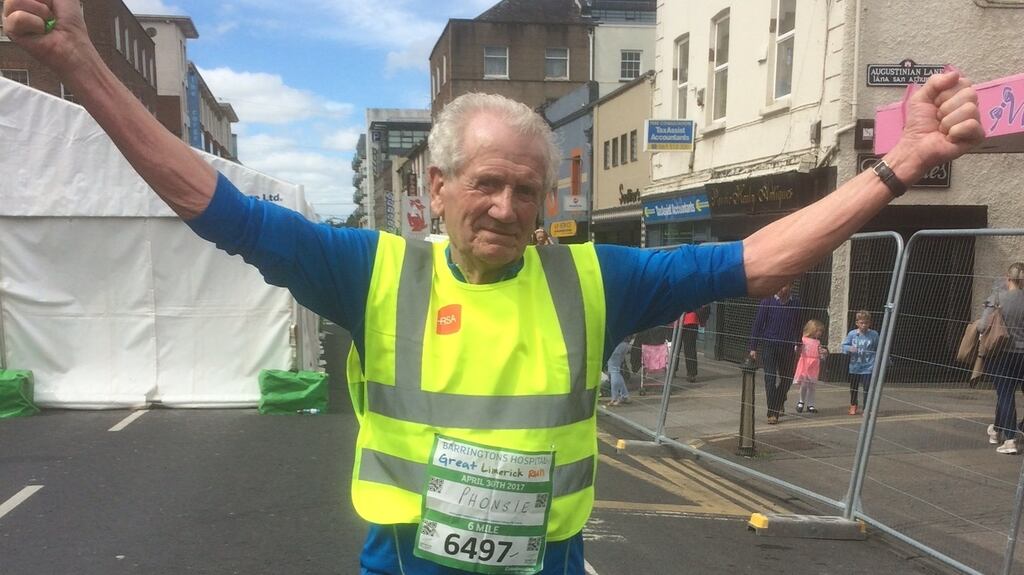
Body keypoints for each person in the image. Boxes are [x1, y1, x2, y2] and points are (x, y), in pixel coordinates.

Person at [3, 3, 984, 572]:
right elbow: (211, 201)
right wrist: (83, 66)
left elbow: (756, 260)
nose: (509, 206)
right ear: (435, 189)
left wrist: (893, 170)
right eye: (486, 183)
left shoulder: (599, 278)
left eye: (528, 187)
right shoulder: (374, 271)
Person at [980, 263, 1024, 454]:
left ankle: (1010, 438)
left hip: (1002, 353)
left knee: (1005, 393)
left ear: (1008, 278)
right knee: (1006, 393)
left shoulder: (998, 298)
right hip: (1022, 355)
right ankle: (997, 430)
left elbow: (983, 326)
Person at [749, 283, 803, 424]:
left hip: (787, 346)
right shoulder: (767, 301)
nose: (780, 288)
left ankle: (778, 400)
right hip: (769, 345)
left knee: (787, 379)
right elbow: (758, 325)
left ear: (790, 286)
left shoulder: (796, 304)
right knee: (770, 378)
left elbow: (798, 326)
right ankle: (772, 412)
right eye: (780, 285)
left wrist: (799, 344)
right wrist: (753, 348)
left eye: (784, 285)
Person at [842, 310, 880, 416]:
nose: (864, 325)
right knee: (854, 387)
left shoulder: (874, 334)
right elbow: (844, 345)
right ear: (857, 323)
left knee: (867, 387)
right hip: (855, 365)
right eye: (861, 323)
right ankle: (853, 405)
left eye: (866, 323)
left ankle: (867, 408)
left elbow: (878, 347)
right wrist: (850, 348)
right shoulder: (852, 334)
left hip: (869, 365)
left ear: (869, 323)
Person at [793, 319, 828, 415]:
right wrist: (797, 348)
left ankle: (810, 404)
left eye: (821, 331)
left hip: (814, 364)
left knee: (812, 385)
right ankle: (801, 401)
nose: (820, 333)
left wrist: (823, 353)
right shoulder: (803, 340)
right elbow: (797, 349)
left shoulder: (817, 342)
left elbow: (820, 355)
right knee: (804, 384)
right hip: (805, 363)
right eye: (818, 331)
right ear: (812, 330)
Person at [676, 309, 704, 383]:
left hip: (676, 320)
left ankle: (672, 370)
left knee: (674, 347)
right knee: (690, 348)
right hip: (691, 319)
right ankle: (691, 374)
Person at [606, 337, 631, 406]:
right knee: (616, 371)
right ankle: (625, 396)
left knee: (613, 371)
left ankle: (614, 398)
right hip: (624, 343)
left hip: (615, 344)